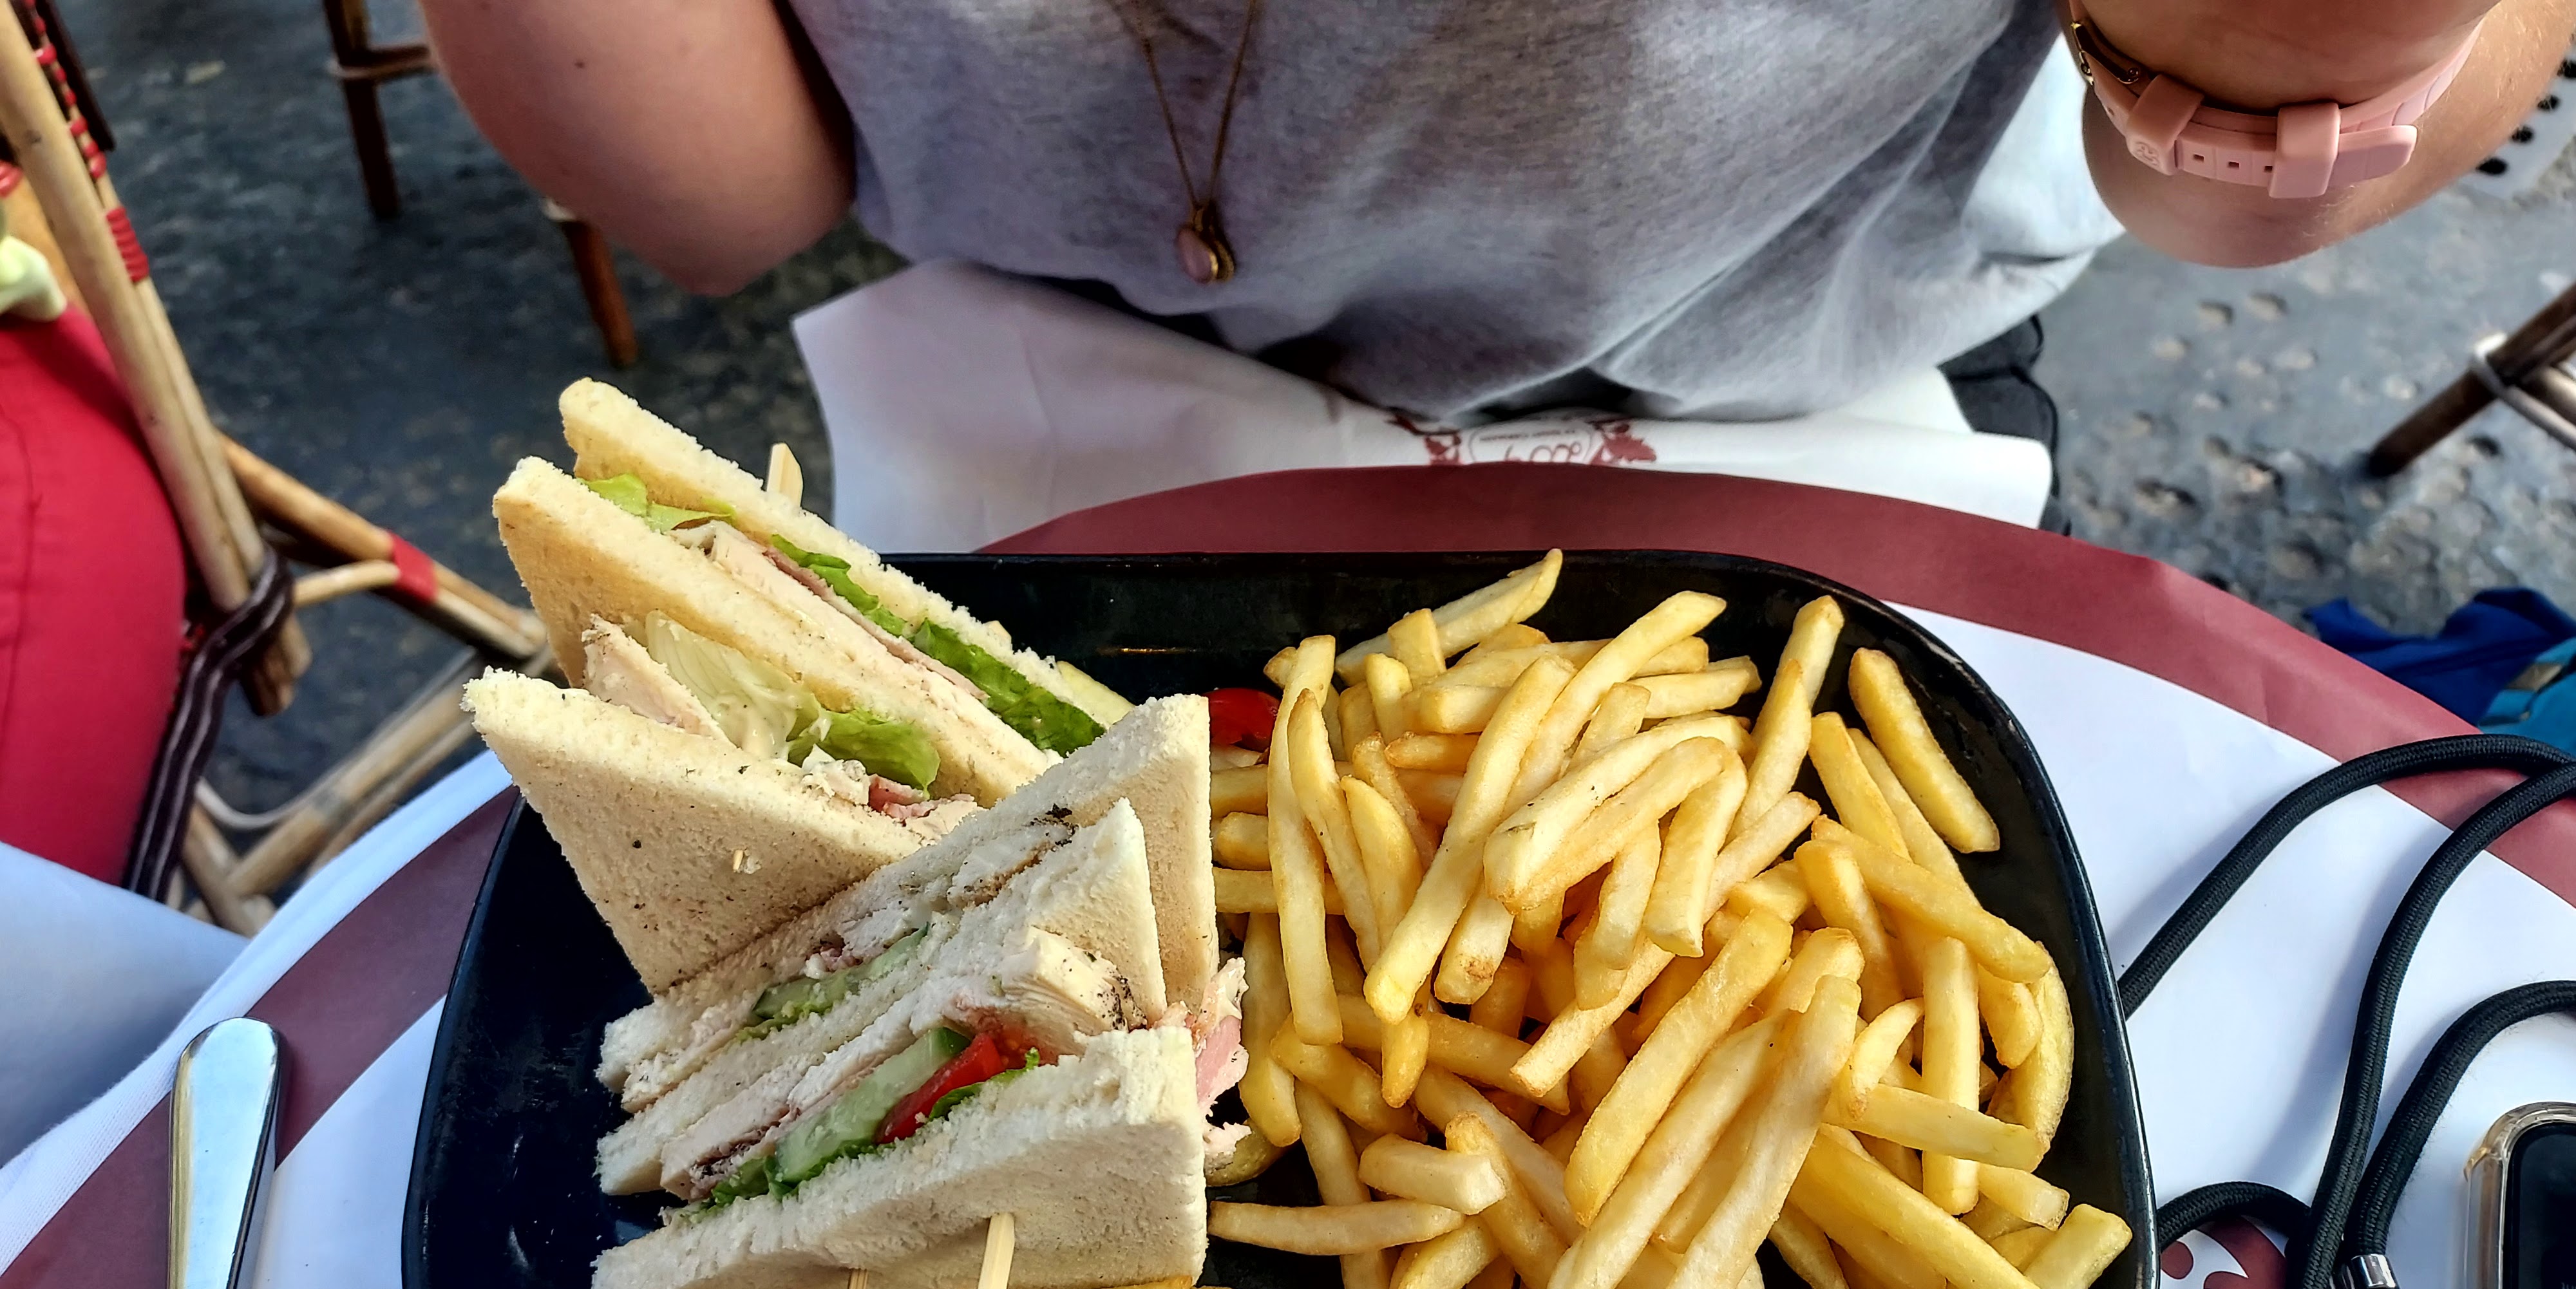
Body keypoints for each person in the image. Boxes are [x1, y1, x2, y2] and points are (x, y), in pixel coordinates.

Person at [417, 0, 2569, 430]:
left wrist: (2302, 49)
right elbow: (733, 201)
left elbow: (2209, 209)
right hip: (1045, 369)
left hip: (1807, 379)